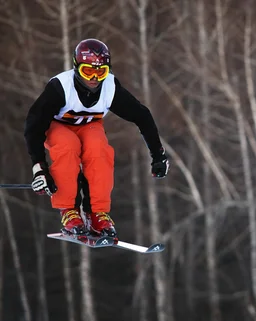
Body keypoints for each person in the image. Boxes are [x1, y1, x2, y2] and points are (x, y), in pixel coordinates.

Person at [24, 38, 168, 237]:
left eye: (101, 72)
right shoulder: (61, 88)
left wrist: (158, 155)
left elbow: (142, 116)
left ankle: (97, 213)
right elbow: (34, 126)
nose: (94, 78)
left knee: (98, 148)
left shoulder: (110, 88)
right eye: (87, 71)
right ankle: (69, 211)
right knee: (68, 145)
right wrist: (39, 168)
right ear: (76, 68)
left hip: (89, 125)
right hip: (56, 126)